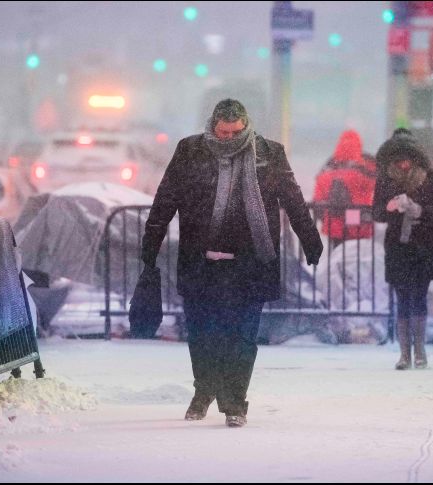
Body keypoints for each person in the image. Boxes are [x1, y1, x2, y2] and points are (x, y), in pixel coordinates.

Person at [140, 99, 323, 427]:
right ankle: (204, 390)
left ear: (246, 126)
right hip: (201, 262)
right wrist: (150, 243)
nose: (228, 139)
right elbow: (166, 199)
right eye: (223, 133)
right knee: (202, 334)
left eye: (235, 133)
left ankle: (235, 401)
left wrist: (310, 239)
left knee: (242, 337)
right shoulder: (190, 151)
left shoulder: (269, 153)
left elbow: (293, 200)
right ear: (213, 126)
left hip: (250, 264)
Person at [372, 128, 433, 370]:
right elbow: (376, 212)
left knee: (419, 297)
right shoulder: (385, 180)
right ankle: (405, 354)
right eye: (398, 159)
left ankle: (419, 351)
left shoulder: (430, 178)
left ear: (415, 157)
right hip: (398, 247)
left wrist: (420, 210)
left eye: (407, 158)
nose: (403, 163)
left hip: (424, 246)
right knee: (402, 299)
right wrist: (389, 208)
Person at [313, 129, 376, 249]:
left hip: (334, 224)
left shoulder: (327, 171)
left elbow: (317, 202)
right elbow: (377, 189)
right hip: (358, 222)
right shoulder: (367, 169)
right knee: (358, 256)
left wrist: (326, 218)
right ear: (359, 145)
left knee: (338, 255)